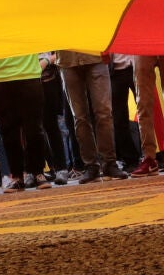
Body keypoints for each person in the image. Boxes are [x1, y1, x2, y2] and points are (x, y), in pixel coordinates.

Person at [0, 54, 56, 191]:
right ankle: (17, 177)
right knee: (8, 131)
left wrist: (46, 59)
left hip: (28, 73)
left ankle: (38, 173)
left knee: (34, 129)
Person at [52, 50, 127, 182]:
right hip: (67, 60)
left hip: (95, 56)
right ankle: (91, 166)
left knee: (103, 113)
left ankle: (109, 163)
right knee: (80, 117)